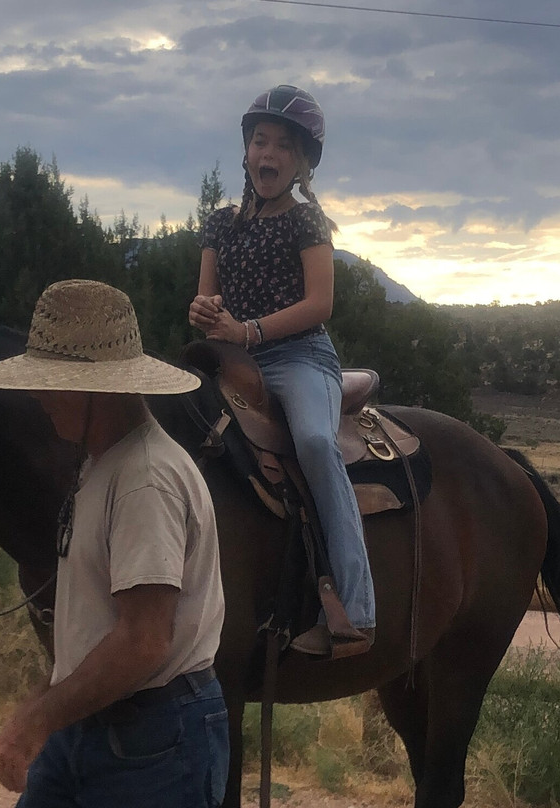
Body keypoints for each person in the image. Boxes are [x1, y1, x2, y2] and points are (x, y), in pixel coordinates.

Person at [0, 279, 229, 807]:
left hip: (155, 746)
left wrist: (34, 720)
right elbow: (98, 626)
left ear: (100, 389)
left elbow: (143, 640)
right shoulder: (103, 463)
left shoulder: (143, 478)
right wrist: (50, 700)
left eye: (50, 382)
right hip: (98, 726)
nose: (38, 398)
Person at [188, 84, 375, 659]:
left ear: (300, 164)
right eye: (261, 142)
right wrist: (205, 313)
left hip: (299, 359)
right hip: (232, 360)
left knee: (316, 443)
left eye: (284, 147)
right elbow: (206, 303)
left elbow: (320, 304)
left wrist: (250, 331)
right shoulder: (220, 224)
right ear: (246, 152)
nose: (269, 154)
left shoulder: (308, 223)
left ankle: (357, 608)